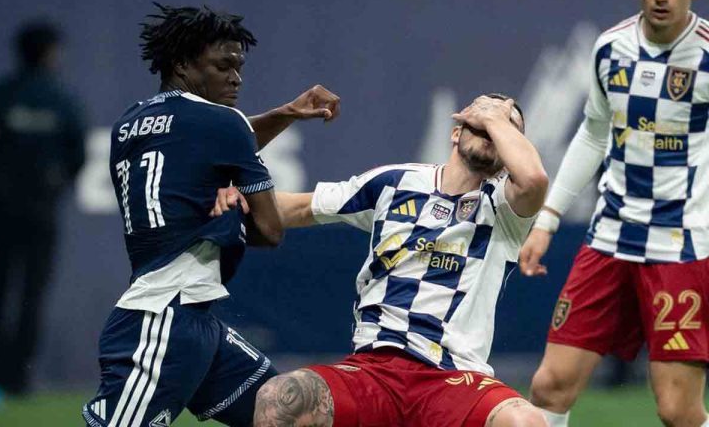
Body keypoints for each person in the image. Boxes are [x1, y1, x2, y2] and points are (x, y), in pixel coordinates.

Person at [215, 94, 549, 426]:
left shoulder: (506, 208)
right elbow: (297, 208)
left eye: (505, 130)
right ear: (456, 131)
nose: (491, 130)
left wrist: (490, 116)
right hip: (373, 371)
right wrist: (235, 196)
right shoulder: (396, 181)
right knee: (279, 398)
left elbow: (534, 178)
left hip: (452, 378)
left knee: (527, 422)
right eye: (479, 124)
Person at [81, 4, 340, 427]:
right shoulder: (222, 124)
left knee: (292, 415)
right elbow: (271, 231)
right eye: (223, 65)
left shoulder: (129, 124)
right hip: (164, 321)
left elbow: (205, 140)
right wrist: (234, 210)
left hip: (189, 317)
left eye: (239, 66)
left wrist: (286, 114)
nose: (236, 77)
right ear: (182, 64)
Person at [519, 0, 709, 426]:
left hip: (679, 245)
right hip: (609, 238)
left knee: (677, 410)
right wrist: (546, 221)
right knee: (550, 386)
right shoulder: (611, 47)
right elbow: (593, 134)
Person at [0, 21, 86, 398]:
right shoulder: (61, 100)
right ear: (50, 53)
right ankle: (19, 379)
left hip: (3, 211)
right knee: (31, 294)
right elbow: (78, 154)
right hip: (41, 212)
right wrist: (54, 186)